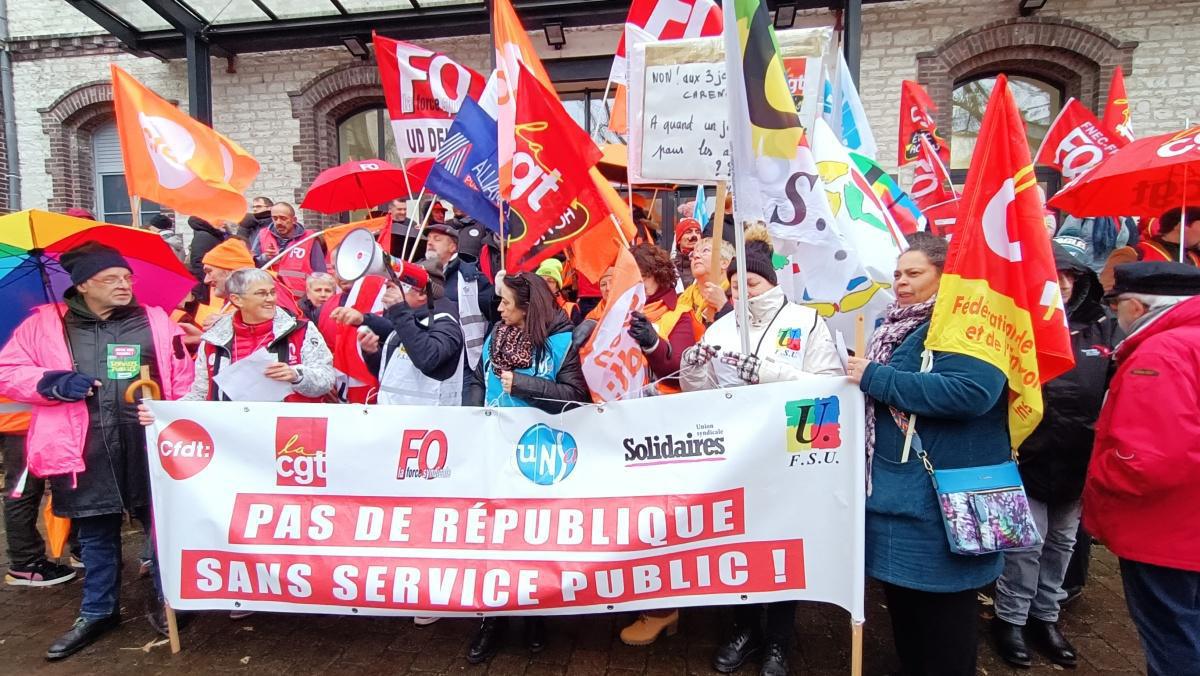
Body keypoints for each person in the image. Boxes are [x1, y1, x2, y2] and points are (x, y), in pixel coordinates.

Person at [0, 243, 194, 659]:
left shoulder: (156, 321)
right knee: (95, 534)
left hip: (148, 444)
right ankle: (98, 611)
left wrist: (174, 415)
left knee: (163, 528)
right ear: (84, 285)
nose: (124, 285)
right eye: (111, 279)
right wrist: (50, 381)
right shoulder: (45, 325)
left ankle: (170, 599)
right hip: (82, 448)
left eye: (126, 278)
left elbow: (185, 378)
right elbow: (8, 370)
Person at [844, 233, 1008, 676]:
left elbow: (974, 391)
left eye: (914, 273)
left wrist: (875, 378)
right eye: (897, 274)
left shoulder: (968, 325)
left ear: (945, 276)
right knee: (908, 619)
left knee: (944, 631)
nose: (900, 282)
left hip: (942, 508)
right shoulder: (895, 327)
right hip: (899, 503)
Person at [679, 238, 842, 676]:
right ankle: (745, 629)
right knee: (740, 544)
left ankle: (779, 640)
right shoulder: (721, 328)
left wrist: (769, 374)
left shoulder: (805, 322)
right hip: (735, 456)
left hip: (788, 454)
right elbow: (702, 396)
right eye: (735, 287)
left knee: (782, 547)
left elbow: (830, 387)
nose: (741, 293)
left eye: (750, 284)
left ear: (771, 282)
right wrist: (693, 369)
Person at [991, 241, 1123, 669]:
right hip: (1026, 453)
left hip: (1078, 456)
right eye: (1051, 276)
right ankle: (1010, 618)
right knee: (1025, 544)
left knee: (1063, 543)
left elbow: (1119, 385)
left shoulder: (1102, 326)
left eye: (1068, 276)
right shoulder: (1015, 322)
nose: (1060, 284)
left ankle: (1045, 617)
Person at [462, 271, 589, 664]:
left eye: (505, 302)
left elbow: (575, 397)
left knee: (533, 538)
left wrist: (524, 385)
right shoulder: (496, 335)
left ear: (528, 306)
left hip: (537, 454)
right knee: (493, 537)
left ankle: (535, 613)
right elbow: (477, 379)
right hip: (495, 449)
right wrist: (471, 417)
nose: (499, 308)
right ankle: (493, 619)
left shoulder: (561, 342)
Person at [1083, 262, 1200, 676]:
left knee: (1172, 637)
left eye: (1117, 305)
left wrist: (1099, 482)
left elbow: (1147, 459)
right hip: (1187, 521)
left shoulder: (1161, 352)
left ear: (1136, 305)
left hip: (1167, 529)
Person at [171, 267, 335, 405]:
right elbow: (200, 394)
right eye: (261, 293)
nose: (270, 299)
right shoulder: (213, 339)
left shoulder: (301, 330)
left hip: (286, 429)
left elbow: (326, 380)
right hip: (230, 428)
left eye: (272, 292)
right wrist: (164, 413)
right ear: (237, 299)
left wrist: (297, 376)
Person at [2, 400, 77, 587]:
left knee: (65, 480)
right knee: (23, 490)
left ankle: (80, 546)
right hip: (21, 423)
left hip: (34, 420)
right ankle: (25, 562)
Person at [428, 221, 497, 375]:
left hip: (465, 362)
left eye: (437, 239)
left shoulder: (471, 277)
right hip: (430, 355)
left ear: (453, 247)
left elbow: (494, 313)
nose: (430, 243)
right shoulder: (420, 273)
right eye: (429, 239)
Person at [627, 243, 695, 393]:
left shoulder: (679, 314)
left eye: (643, 276)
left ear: (658, 275)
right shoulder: (620, 312)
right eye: (631, 278)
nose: (637, 283)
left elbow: (682, 373)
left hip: (664, 402)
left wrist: (654, 344)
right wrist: (592, 323)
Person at [251, 202, 327, 299]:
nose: (278, 222)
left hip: (300, 300)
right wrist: (265, 258)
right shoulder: (262, 235)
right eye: (275, 218)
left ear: (294, 220)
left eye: (283, 218)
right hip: (271, 299)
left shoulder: (309, 238)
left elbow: (320, 273)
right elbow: (251, 267)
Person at [678, 236, 734, 333]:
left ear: (724, 263)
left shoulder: (737, 295)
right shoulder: (682, 299)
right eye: (693, 253)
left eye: (705, 251)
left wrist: (723, 305)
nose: (696, 256)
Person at [186, 216, 230, 288]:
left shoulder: (216, 234)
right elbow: (199, 265)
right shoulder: (204, 237)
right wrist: (208, 285)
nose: (224, 222)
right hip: (209, 285)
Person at [535, 258, 581, 325]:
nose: (545, 284)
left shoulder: (570, 309)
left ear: (557, 287)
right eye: (541, 280)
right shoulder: (529, 310)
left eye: (550, 281)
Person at [673, 217, 702, 288]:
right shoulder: (669, 267)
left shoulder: (708, 265)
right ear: (679, 240)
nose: (694, 235)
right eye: (688, 232)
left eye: (697, 232)